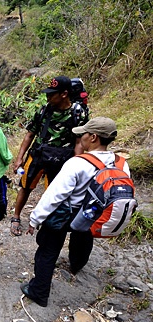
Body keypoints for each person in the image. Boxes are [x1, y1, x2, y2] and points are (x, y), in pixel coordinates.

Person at [21, 117, 127, 307]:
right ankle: (76, 265)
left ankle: (39, 291)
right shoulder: (121, 163)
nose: (81, 138)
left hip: (67, 212)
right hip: (93, 213)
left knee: (47, 251)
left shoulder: (77, 163)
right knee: (83, 239)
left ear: (93, 137)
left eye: (83, 135)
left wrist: (34, 219)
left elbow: (54, 196)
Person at [10, 75, 88, 236]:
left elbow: (80, 141)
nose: (48, 97)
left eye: (52, 94)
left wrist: (77, 163)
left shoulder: (78, 113)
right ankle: (16, 216)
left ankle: (46, 221)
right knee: (26, 186)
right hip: (39, 153)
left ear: (64, 94)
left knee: (55, 191)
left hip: (62, 157)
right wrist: (19, 158)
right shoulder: (44, 110)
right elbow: (30, 134)